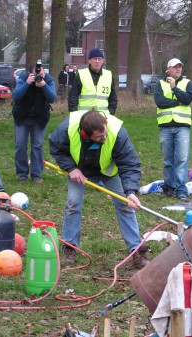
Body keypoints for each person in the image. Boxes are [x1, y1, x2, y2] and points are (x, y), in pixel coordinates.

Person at [48, 109, 148, 268]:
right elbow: (56, 147)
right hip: (78, 170)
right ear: (85, 135)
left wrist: (131, 191)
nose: (105, 137)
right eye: (99, 137)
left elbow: (129, 163)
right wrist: (71, 168)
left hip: (109, 170)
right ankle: (70, 247)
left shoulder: (117, 132)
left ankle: (136, 250)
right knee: (73, 204)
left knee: (125, 204)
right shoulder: (67, 128)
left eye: (105, 133)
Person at [154, 58, 192, 201]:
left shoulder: (187, 83)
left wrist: (174, 89)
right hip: (165, 126)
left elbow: (187, 99)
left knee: (182, 159)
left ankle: (181, 189)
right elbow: (160, 102)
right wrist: (177, 102)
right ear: (168, 69)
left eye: (180, 67)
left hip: (182, 127)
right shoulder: (159, 84)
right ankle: (169, 188)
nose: (178, 69)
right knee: (167, 160)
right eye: (175, 67)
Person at [12, 62, 56, 184]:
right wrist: (27, 83)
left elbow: (53, 98)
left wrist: (44, 85)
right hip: (22, 117)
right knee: (20, 145)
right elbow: (16, 96)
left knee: (37, 146)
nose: (39, 75)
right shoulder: (24, 78)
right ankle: (22, 174)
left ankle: (36, 175)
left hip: (39, 118)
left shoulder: (48, 80)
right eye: (36, 73)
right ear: (31, 72)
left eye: (41, 72)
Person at [68, 48, 117, 115]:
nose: (97, 61)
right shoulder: (81, 74)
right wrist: (74, 114)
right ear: (89, 61)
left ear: (103, 61)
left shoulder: (109, 75)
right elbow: (73, 97)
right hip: (83, 116)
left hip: (104, 116)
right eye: (95, 58)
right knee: (62, 126)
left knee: (120, 126)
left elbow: (113, 98)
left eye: (99, 59)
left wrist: (110, 114)